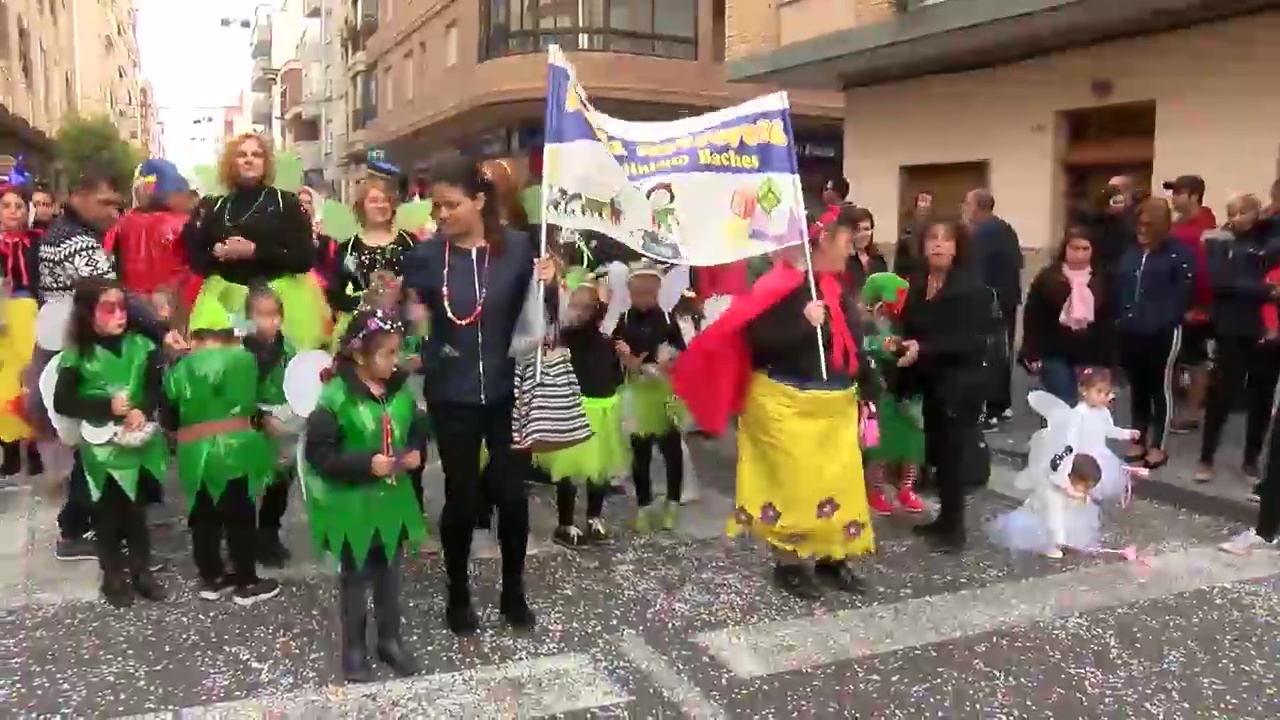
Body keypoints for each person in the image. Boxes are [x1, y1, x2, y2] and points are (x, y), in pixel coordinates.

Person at [672, 207, 875, 599]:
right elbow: (756, 339)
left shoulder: (835, 288)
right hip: (786, 401)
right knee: (793, 486)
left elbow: (848, 342)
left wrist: (868, 381)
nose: (851, 251)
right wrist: (802, 323)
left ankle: (832, 556)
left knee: (837, 482)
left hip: (831, 404)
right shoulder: (780, 285)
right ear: (824, 241)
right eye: (847, 242)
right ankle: (789, 563)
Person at [401, 156, 556, 635]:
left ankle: (513, 590)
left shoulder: (519, 249)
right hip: (452, 394)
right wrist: (409, 330)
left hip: (512, 393)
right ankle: (458, 592)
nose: (440, 215)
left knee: (512, 496)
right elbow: (409, 320)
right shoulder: (425, 258)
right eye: (435, 206)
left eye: (451, 205)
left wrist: (549, 285)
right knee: (462, 499)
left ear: (480, 202)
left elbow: (544, 318)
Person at [35, 167, 176, 562]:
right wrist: (160, 330)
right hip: (86, 353)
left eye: (118, 203)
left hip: (77, 345)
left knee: (101, 439)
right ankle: (77, 529)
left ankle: (111, 518)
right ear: (78, 196)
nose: (115, 212)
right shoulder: (77, 243)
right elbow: (116, 299)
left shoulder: (68, 233)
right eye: (105, 203)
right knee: (97, 442)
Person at [301, 307, 428, 682]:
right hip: (352, 508)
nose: (396, 360)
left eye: (397, 351)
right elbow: (318, 455)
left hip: (392, 505)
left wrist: (419, 450)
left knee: (390, 579)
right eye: (387, 353)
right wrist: (363, 464)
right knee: (354, 581)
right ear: (359, 355)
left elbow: (419, 427)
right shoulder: (335, 398)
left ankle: (390, 641)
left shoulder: (400, 389)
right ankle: (354, 649)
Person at [52, 279, 168, 607]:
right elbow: (63, 401)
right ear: (88, 315)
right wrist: (106, 407)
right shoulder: (79, 355)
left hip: (137, 442)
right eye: (108, 308)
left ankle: (142, 571)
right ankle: (112, 576)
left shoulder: (139, 346)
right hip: (102, 450)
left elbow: (151, 387)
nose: (119, 315)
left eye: (122, 307)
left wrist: (142, 411)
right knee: (107, 516)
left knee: (136, 512)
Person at [162, 302, 279, 605]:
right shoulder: (245, 359)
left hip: (195, 453)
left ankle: (210, 578)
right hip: (236, 450)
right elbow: (263, 371)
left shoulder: (180, 368)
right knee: (240, 517)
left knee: (203, 518)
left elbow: (168, 416)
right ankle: (245, 580)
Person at [899, 220, 998, 553]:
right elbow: (913, 326)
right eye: (932, 239)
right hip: (930, 381)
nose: (938, 246)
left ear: (958, 247)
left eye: (946, 240)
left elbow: (972, 342)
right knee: (938, 453)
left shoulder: (971, 289)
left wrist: (924, 349)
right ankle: (944, 518)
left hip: (960, 383)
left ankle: (955, 530)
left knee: (954, 455)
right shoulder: (917, 283)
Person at [183, 132, 327, 349]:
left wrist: (255, 251)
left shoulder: (286, 203)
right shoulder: (215, 206)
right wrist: (217, 253)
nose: (249, 160)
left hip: (279, 303)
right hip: (226, 306)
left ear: (266, 163)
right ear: (230, 163)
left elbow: (304, 258)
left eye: (256, 155)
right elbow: (196, 260)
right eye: (241, 155)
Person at [534, 275, 628, 548]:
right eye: (572, 306)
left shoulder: (605, 341)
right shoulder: (563, 341)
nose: (573, 312)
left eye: (580, 307)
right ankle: (566, 523)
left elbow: (615, 377)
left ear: (595, 311)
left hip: (603, 411)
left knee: (598, 469)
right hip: (573, 409)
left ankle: (594, 518)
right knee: (569, 469)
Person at [1196, 194, 1280, 485]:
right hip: (1232, 326)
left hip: (1267, 329)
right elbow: (1222, 282)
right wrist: (1266, 291)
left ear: (1257, 213)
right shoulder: (1219, 239)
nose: (1236, 217)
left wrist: (1270, 216)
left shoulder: (1269, 237)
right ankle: (1206, 458)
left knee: (1262, 396)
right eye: (1232, 212)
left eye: (1244, 212)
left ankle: (1251, 460)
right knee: (1223, 394)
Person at [1113, 198, 1194, 470]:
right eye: (1139, 224)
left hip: (1162, 331)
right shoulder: (1131, 252)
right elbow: (1121, 286)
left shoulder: (1177, 253)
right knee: (1138, 387)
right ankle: (1138, 437)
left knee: (1159, 387)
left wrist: (1165, 317)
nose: (1142, 229)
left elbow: (1183, 292)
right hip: (1131, 330)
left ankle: (1158, 445)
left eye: (1148, 225)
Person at [613, 261, 688, 531]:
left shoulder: (666, 319)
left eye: (649, 294)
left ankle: (672, 501)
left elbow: (682, 352)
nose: (643, 299)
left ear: (658, 291)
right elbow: (614, 348)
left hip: (664, 392)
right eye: (638, 294)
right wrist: (623, 355)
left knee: (671, 450)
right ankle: (644, 504)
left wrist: (671, 362)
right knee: (640, 452)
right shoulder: (625, 319)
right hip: (637, 391)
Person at [1019, 226, 1114, 403]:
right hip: (1055, 351)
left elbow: (1109, 319)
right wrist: (1032, 351)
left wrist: (1112, 357)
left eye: (1085, 249)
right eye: (1075, 248)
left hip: (1092, 353)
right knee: (1063, 403)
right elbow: (1033, 317)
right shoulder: (1048, 277)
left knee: (1091, 406)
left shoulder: (1102, 278)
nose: (1080, 254)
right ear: (1065, 249)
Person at [858, 272, 925, 515]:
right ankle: (874, 489)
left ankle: (906, 488)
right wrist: (879, 346)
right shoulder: (863, 321)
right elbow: (860, 346)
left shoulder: (909, 316)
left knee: (912, 443)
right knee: (877, 445)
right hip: (877, 390)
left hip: (907, 389)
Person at [241, 285, 297, 566]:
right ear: (248, 318)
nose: (270, 321)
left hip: (282, 424)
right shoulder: (241, 353)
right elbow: (236, 395)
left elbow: (299, 381)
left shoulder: (289, 349)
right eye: (262, 315)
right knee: (250, 488)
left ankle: (269, 535)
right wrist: (260, 419)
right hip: (252, 427)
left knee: (280, 485)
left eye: (275, 315)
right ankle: (247, 542)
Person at [103, 159, 202, 315]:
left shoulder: (121, 224)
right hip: (176, 310)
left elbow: (107, 262)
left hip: (133, 310)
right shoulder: (186, 225)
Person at [962, 188, 1023, 430]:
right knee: (1002, 352)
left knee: (989, 354)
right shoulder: (1006, 229)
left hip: (990, 302)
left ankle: (991, 411)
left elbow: (976, 271)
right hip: (1006, 299)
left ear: (978, 206)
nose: (964, 209)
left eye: (967, 203)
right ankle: (1002, 405)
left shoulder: (982, 234)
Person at [327, 179, 416, 338]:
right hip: (363, 333)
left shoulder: (410, 242)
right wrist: (364, 300)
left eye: (385, 201)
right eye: (374, 201)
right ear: (361, 206)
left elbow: (426, 280)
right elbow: (335, 294)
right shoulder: (348, 248)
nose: (381, 206)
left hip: (407, 329)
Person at [1164, 175, 1217, 434]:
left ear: (1194, 195)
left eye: (1178, 193)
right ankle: (1171, 408)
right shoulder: (1175, 225)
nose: (1173, 198)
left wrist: (1201, 306)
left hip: (1197, 306)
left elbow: (1207, 271)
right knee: (1172, 358)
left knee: (1195, 360)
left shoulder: (1207, 226)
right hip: (1171, 303)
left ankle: (1192, 414)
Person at [0, 182, 43, 478]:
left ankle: (34, 448)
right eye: (6, 205)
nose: (13, 211)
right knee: (4, 384)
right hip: (1, 315)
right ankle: (10, 449)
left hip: (30, 314)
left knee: (31, 379)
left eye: (19, 206)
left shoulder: (39, 242)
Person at [990, 448, 1103, 559]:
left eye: (1090, 487)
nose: (1087, 490)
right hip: (1036, 519)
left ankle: (1062, 541)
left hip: (1059, 521)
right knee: (1047, 529)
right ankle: (1046, 547)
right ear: (1071, 476)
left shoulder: (1076, 492)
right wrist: (1058, 541)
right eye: (1085, 485)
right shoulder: (1053, 494)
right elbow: (1053, 519)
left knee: (1072, 525)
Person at [843, 206, 888, 297]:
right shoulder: (843, 261)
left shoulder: (879, 260)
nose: (862, 234)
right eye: (857, 230)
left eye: (866, 229)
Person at [893, 191, 933, 280]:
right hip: (910, 276)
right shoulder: (907, 228)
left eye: (929, 202)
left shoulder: (933, 228)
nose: (926, 205)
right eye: (923, 201)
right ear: (915, 204)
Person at [808, 176, 852, 241]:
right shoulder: (813, 214)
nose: (823, 193)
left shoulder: (853, 214)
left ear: (837, 193)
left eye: (826, 189)